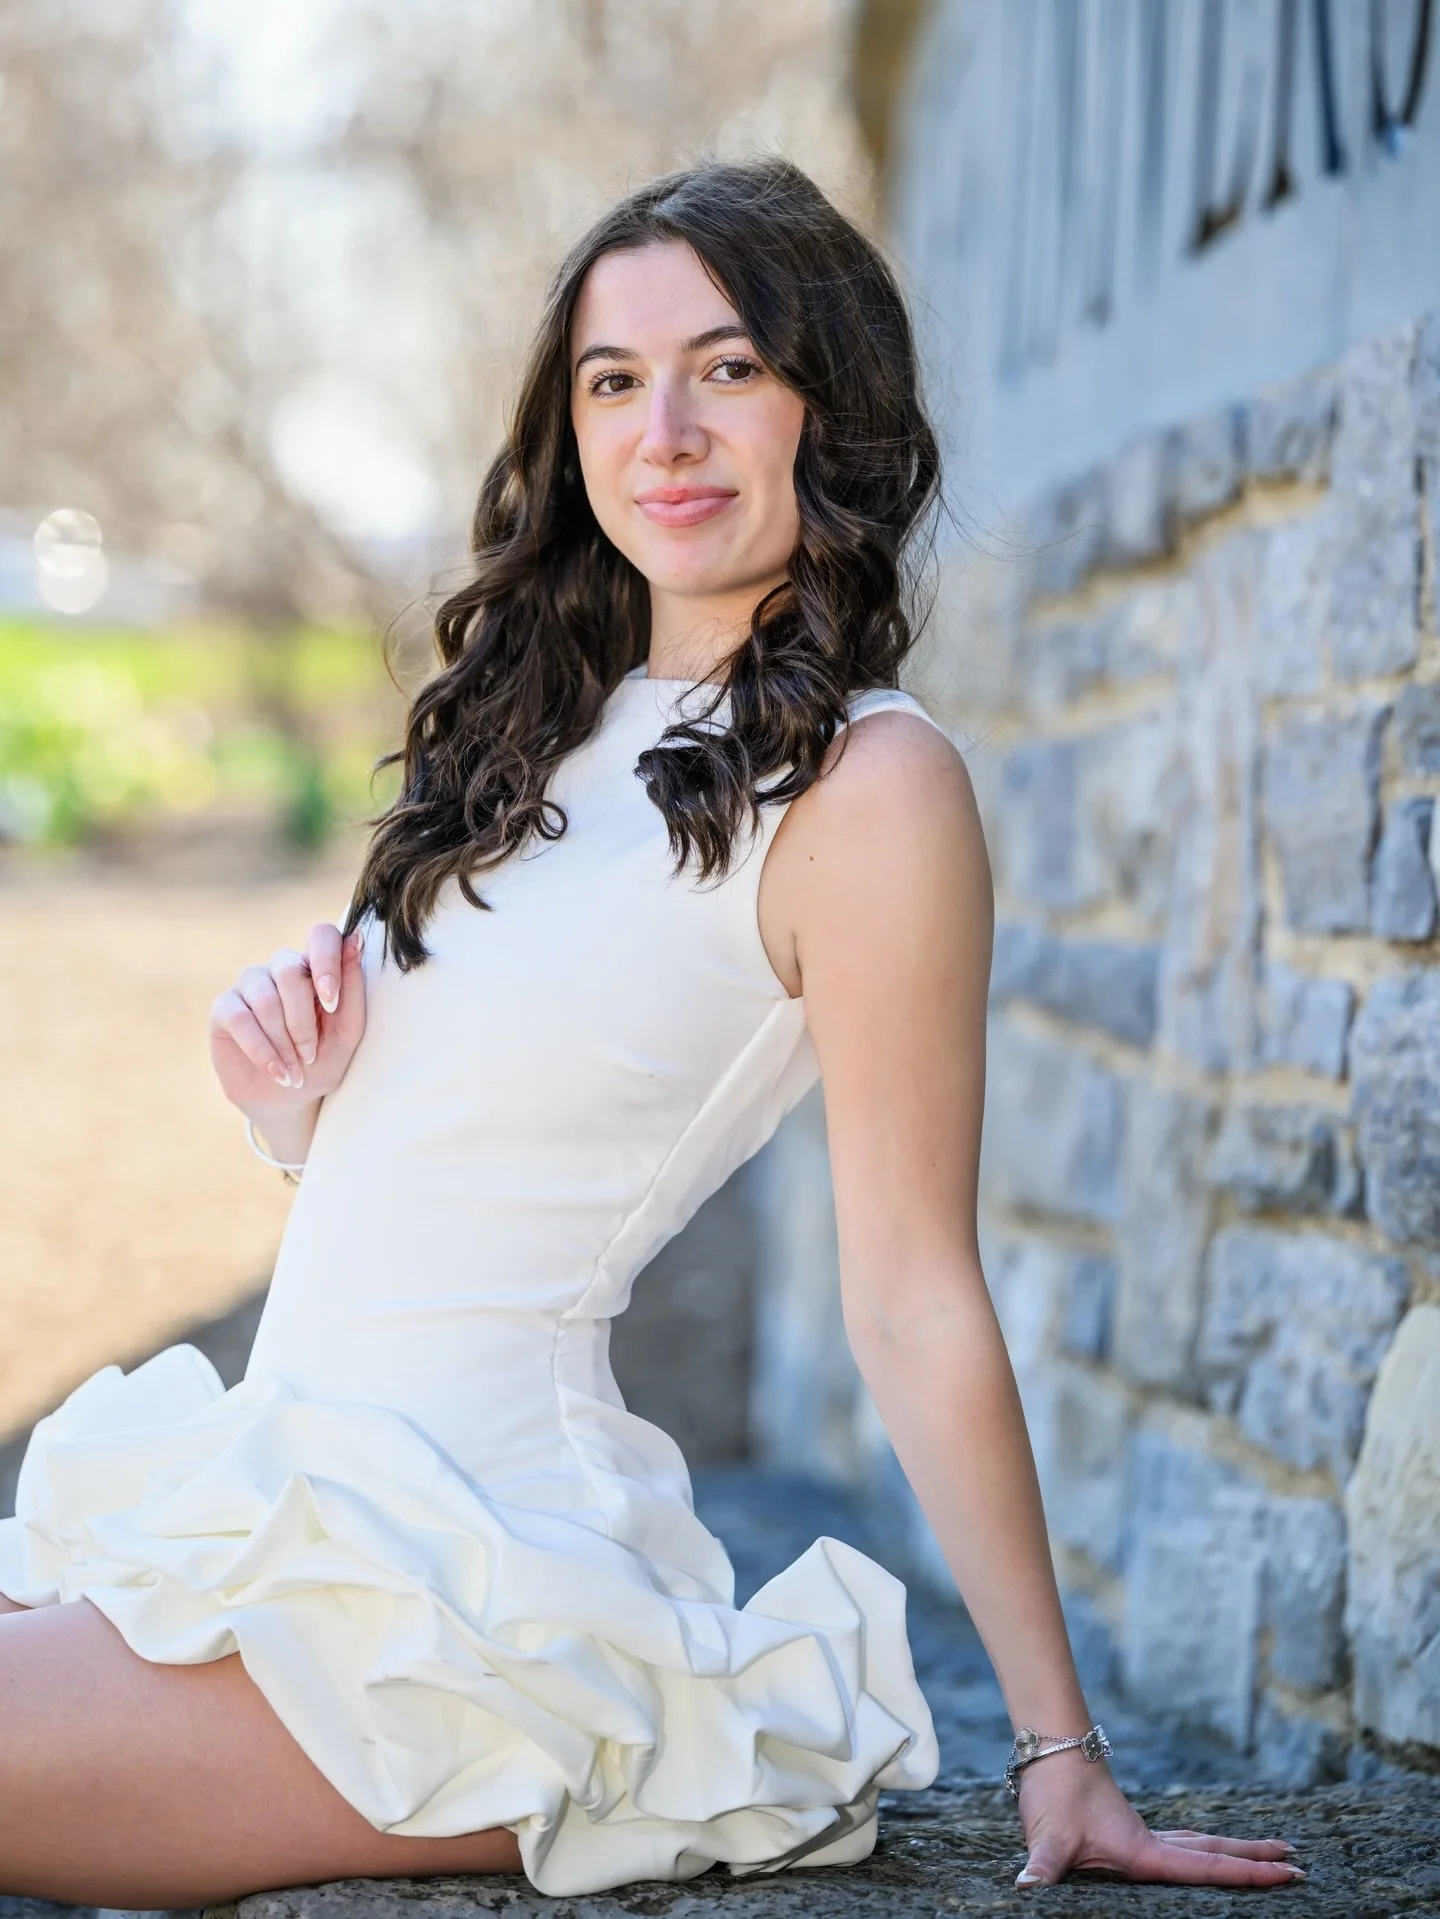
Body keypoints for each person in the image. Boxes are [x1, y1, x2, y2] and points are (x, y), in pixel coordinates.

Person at [0, 160, 1301, 1905]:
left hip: (474, 1603)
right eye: (615, 381)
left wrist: (1060, 1748)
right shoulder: (538, 726)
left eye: (728, 367)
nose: (665, 432)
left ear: (829, 405)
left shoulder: (869, 784)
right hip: (280, 1500)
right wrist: (293, 1100)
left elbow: (912, 1290)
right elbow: (482, 1166)